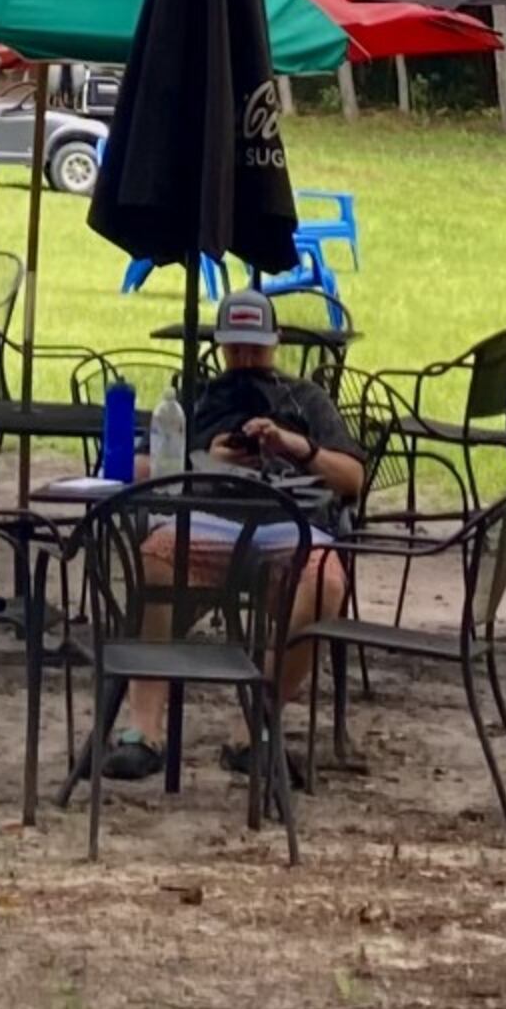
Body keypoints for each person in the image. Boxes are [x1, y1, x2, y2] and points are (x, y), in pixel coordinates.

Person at [92, 287, 363, 781]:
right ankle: (144, 732)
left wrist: (295, 448)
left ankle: (253, 727)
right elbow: (131, 468)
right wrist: (207, 459)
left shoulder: (307, 399)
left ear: (275, 342)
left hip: (292, 526)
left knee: (325, 581)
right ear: (219, 346)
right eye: (235, 348)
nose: (245, 358)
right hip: (207, 520)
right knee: (153, 558)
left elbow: (352, 478)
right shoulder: (195, 401)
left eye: (255, 348)